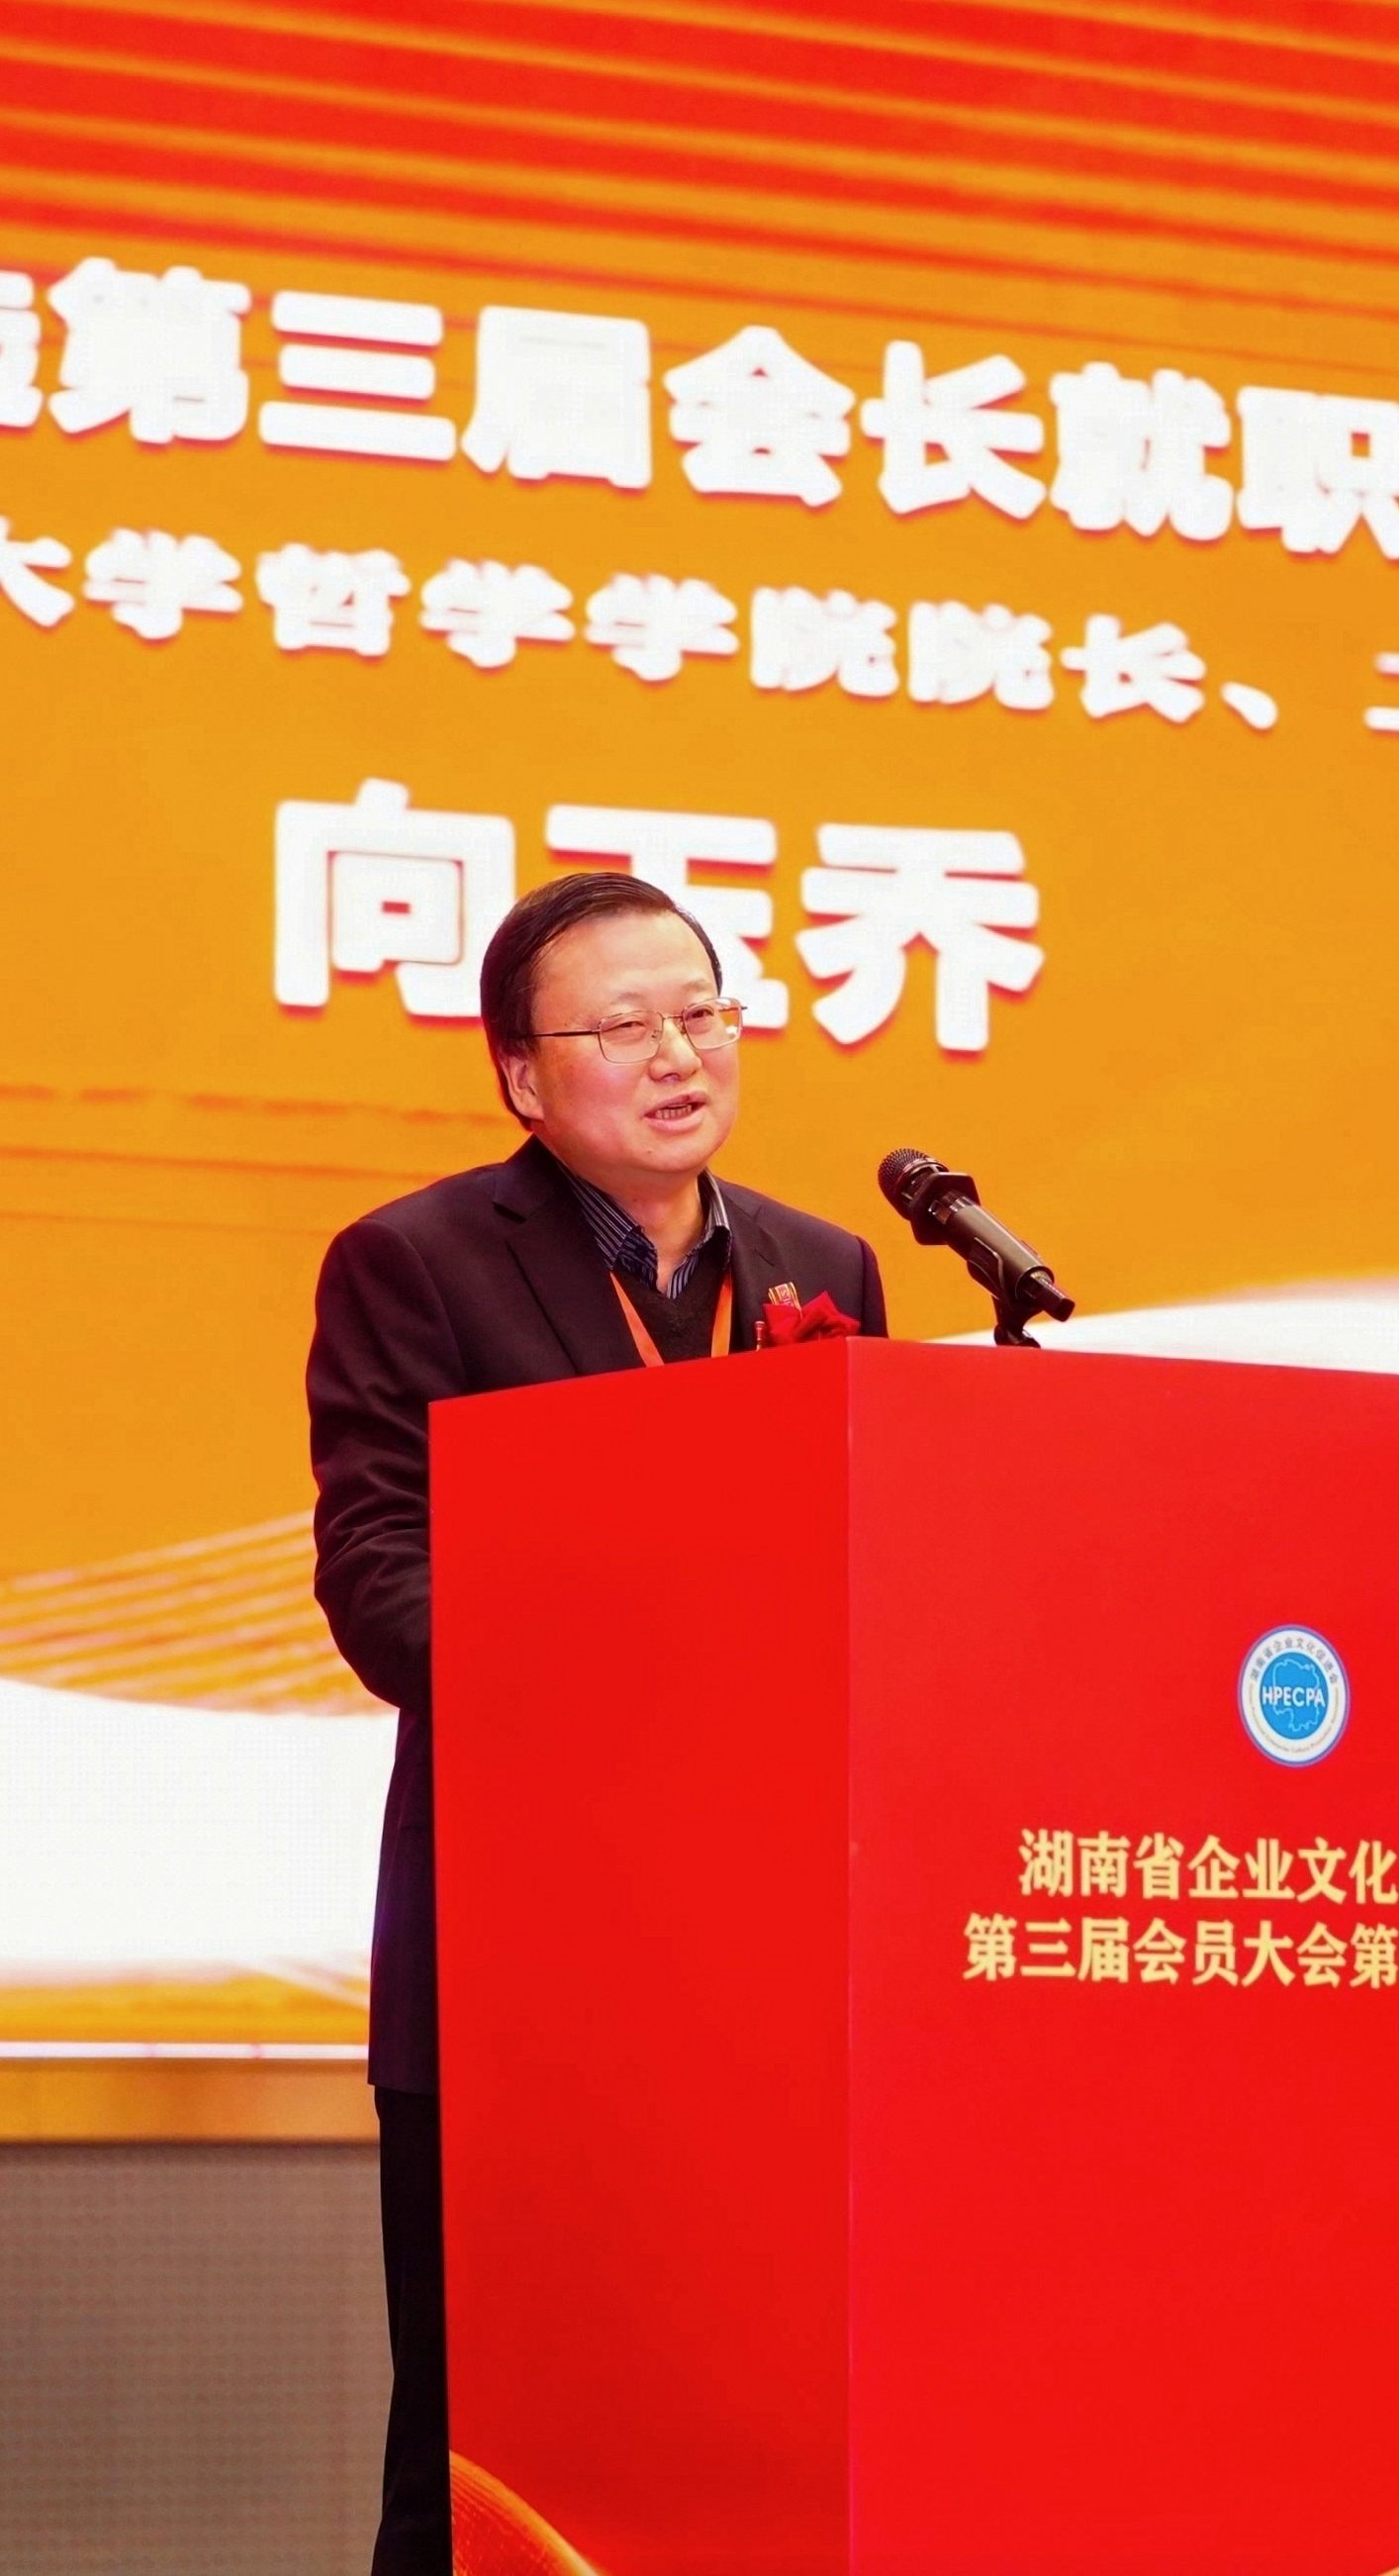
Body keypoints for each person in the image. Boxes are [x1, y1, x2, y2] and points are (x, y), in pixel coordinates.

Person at [304, 869, 888, 2575]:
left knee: (756, 2423)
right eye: (622, 1026)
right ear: (520, 1074)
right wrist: (624, 1692)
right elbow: (379, 1580)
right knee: (491, 2454)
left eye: (701, 1012)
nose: (677, 1054)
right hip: (523, 1954)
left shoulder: (825, 1264)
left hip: (773, 1967)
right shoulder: (415, 1263)